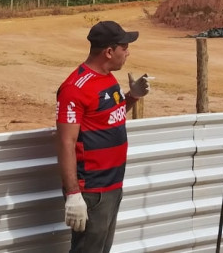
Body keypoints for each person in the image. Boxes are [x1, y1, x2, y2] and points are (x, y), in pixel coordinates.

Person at [55, 20, 151, 253]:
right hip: (92, 191)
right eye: (124, 47)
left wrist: (132, 97)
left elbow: (108, 116)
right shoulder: (74, 89)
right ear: (109, 51)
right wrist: (74, 194)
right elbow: (66, 142)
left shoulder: (108, 77)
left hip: (112, 185)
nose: (128, 52)